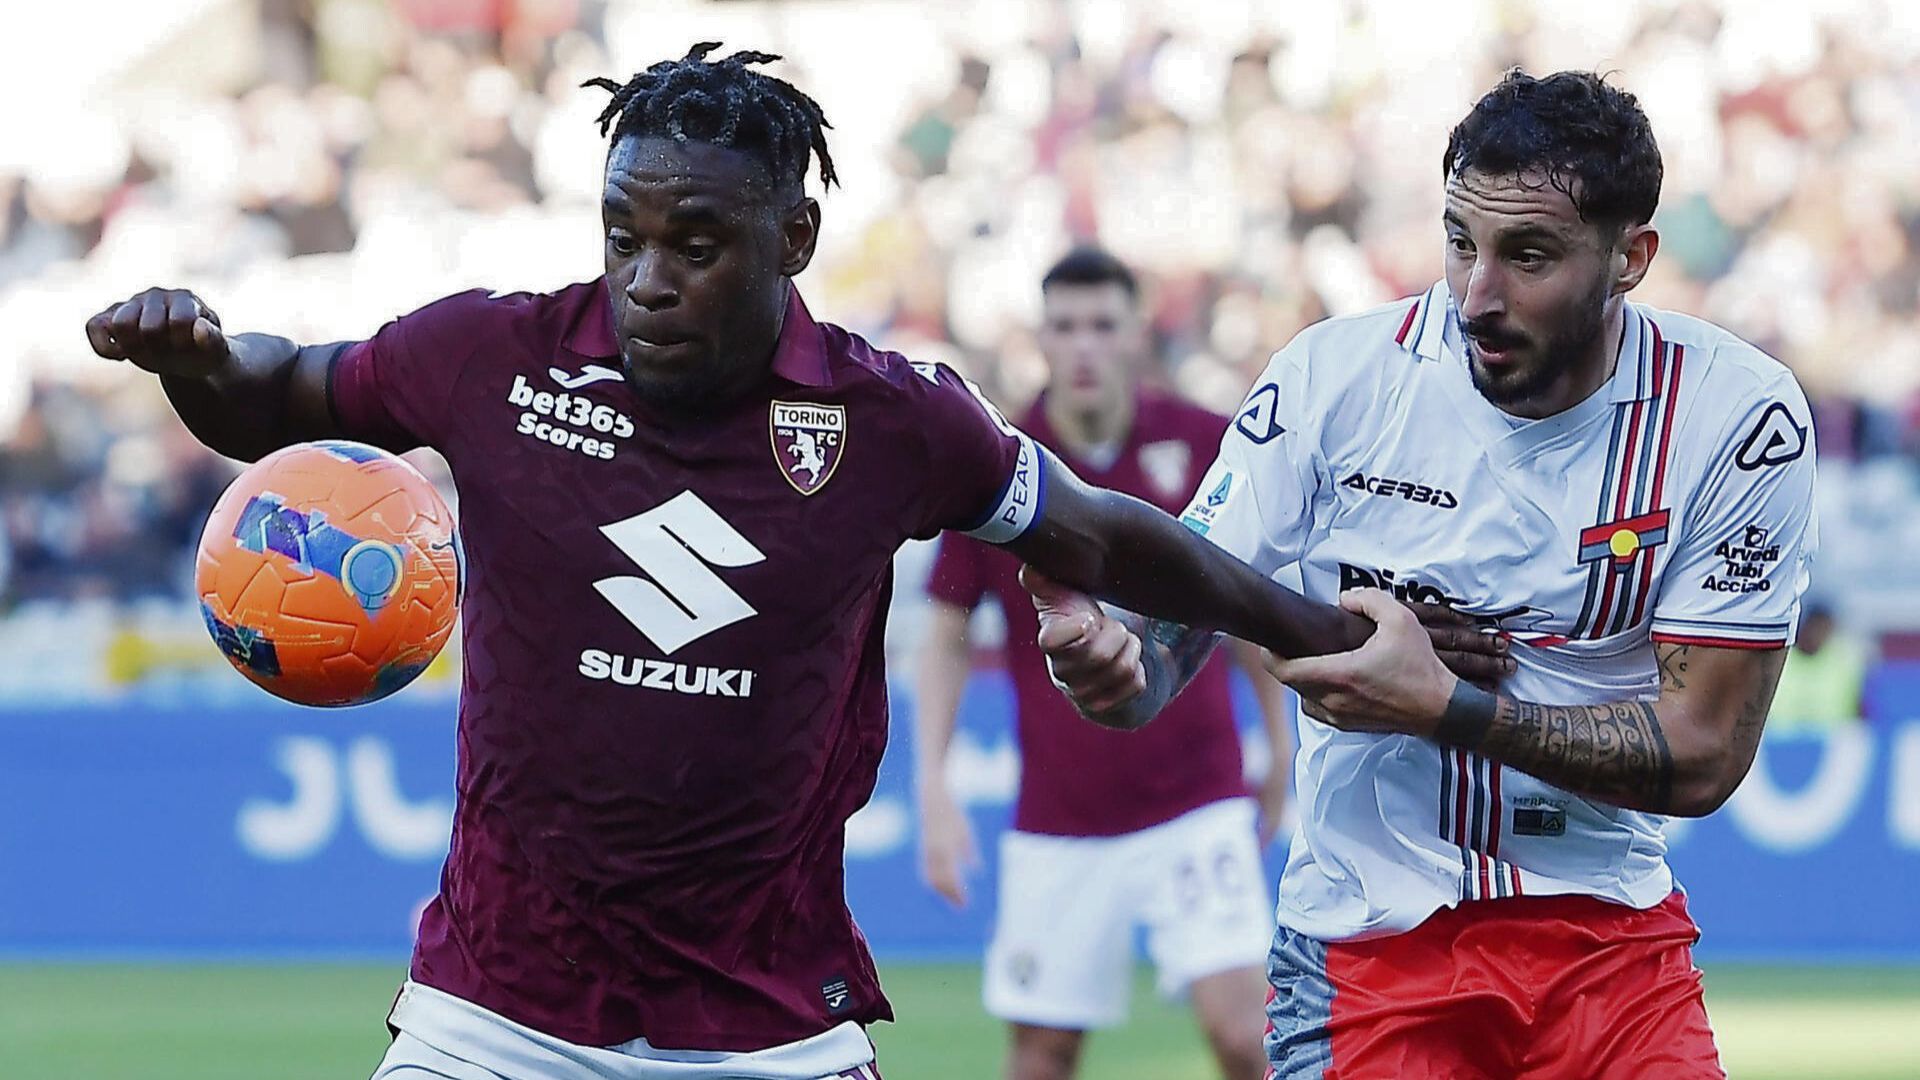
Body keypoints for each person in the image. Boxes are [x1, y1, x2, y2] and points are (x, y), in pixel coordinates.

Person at [84, 45, 1504, 1080]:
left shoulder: (890, 420)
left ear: (795, 239)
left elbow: (1106, 533)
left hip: (768, 1026)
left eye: (697, 241)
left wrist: (1321, 629)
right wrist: (198, 360)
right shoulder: (492, 358)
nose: (648, 274)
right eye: (625, 232)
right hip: (493, 1014)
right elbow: (278, 396)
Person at [1031, 70, 1817, 1078]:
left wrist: (1441, 703)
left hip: (1611, 946)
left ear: (1632, 259)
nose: (1475, 295)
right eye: (1459, 241)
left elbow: (1705, 754)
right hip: (1366, 952)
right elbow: (1169, 642)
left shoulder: (1735, 420)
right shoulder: (1334, 380)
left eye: (1527, 255)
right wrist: (1119, 669)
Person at [914, 248, 1288, 1080]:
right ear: (1040, 338)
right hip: (1060, 813)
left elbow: (1247, 608)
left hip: (1196, 796)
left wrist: (1279, 747)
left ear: (1134, 335)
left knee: (1245, 1036)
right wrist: (933, 784)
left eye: (1102, 325)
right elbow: (945, 625)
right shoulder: (999, 461)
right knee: (1041, 1060)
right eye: (1065, 326)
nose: (1083, 345)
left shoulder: (1200, 442)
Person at [1767, 603, 1870, 731]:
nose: (1818, 634)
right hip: (1777, 744)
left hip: (1833, 745)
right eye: (1815, 628)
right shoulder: (1778, 658)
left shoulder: (1843, 662)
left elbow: (1860, 715)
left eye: (1824, 629)